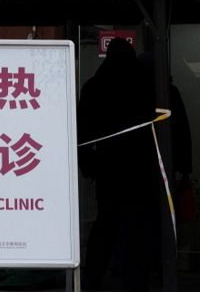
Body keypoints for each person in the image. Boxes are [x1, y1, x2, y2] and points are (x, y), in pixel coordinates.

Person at [78, 38, 158, 291]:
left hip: (108, 167)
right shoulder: (146, 83)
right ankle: (136, 280)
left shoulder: (94, 86)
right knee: (138, 226)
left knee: (105, 224)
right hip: (141, 166)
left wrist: (88, 165)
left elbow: (83, 130)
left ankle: (92, 279)